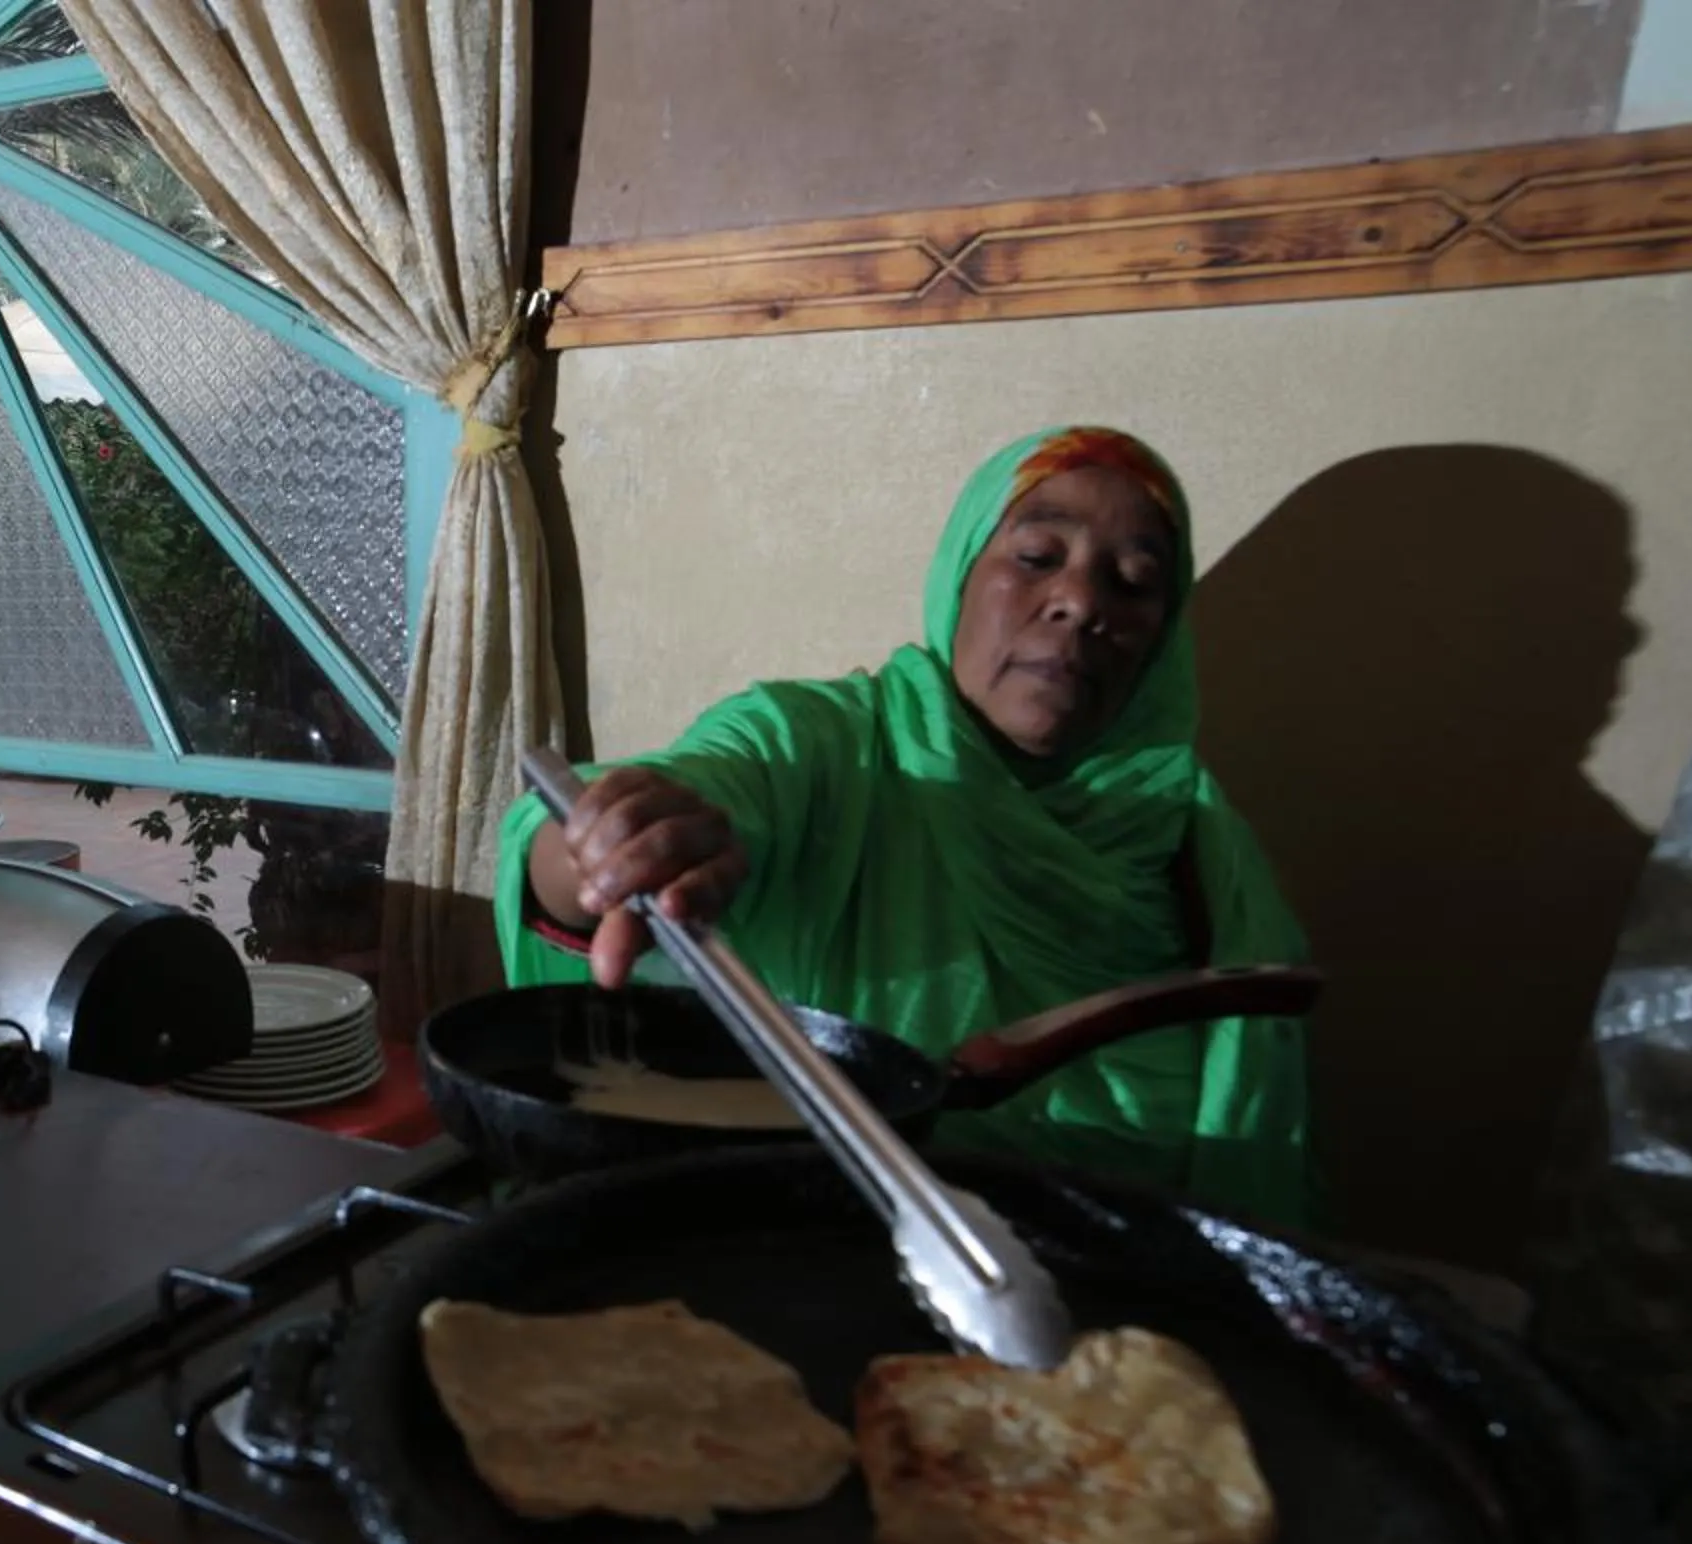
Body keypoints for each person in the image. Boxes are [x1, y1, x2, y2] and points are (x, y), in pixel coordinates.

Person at [498, 425, 1313, 1223]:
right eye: (1036, 558)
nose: (1079, 601)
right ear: (960, 576)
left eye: (1134, 582)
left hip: (1124, 1306)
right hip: (827, 1271)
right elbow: (694, 792)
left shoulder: (1204, 852)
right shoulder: (824, 750)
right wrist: (608, 847)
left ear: (1161, 641)